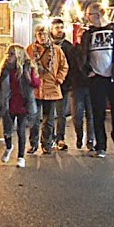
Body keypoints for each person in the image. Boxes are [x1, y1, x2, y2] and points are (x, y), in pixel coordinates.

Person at [79, 2, 114, 157]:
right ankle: (100, 145)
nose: (87, 18)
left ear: (98, 14)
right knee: (98, 112)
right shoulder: (88, 34)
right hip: (97, 77)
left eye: (89, 15)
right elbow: (82, 55)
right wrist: (87, 70)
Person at [0, 44, 40, 168]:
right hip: (9, 103)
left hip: (23, 104)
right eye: (8, 54)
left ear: (18, 55)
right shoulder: (5, 70)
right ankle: (9, 147)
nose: (8, 57)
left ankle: (21, 157)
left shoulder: (28, 68)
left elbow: (37, 83)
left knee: (21, 130)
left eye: (12, 54)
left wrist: (29, 77)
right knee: (7, 130)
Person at [27, 25, 69, 154]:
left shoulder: (56, 50)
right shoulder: (30, 50)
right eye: (40, 34)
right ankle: (33, 144)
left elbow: (64, 66)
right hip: (35, 89)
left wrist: (59, 79)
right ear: (36, 36)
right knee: (34, 119)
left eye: (44, 34)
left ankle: (46, 144)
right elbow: (25, 66)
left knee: (49, 120)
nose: (42, 37)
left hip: (51, 88)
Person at [50, 18, 79, 151]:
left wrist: (69, 83)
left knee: (61, 114)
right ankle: (48, 139)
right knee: (48, 114)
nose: (59, 29)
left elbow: (72, 67)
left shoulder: (68, 47)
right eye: (57, 27)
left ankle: (60, 138)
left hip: (63, 86)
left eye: (61, 27)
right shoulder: (46, 45)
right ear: (51, 29)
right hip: (48, 86)